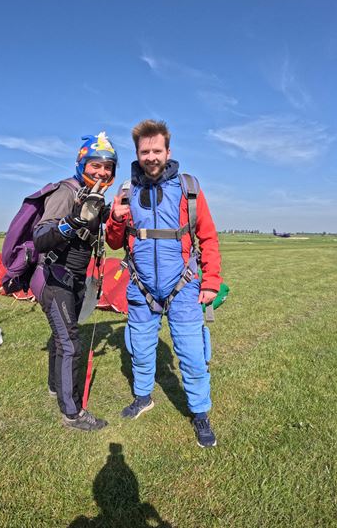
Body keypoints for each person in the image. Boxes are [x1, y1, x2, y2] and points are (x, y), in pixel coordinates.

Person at [106, 119, 222, 447]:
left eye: (157, 151)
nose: (151, 157)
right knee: (140, 350)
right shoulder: (127, 191)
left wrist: (211, 281)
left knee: (192, 355)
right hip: (141, 287)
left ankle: (199, 412)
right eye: (145, 152)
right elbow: (114, 243)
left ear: (168, 152)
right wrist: (115, 219)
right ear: (137, 154)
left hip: (183, 286)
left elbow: (208, 237)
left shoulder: (188, 189)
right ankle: (143, 397)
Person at [33, 132, 117, 431]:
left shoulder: (93, 196)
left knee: (62, 338)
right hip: (53, 278)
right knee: (70, 343)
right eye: (96, 165)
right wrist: (72, 223)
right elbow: (41, 239)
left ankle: (55, 386)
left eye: (108, 167)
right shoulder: (66, 192)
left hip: (75, 280)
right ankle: (72, 413)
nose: (102, 172)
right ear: (82, 164)